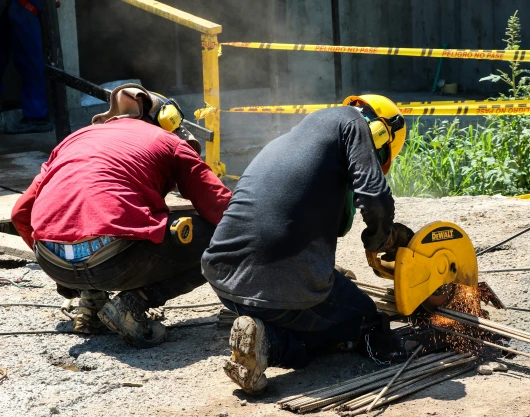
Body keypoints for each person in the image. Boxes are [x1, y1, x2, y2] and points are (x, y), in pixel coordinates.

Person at [202, 94, 412, 394]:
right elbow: (376, 200)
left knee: (324, 293)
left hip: (224, 280)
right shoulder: (355, 125)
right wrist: (380, 238)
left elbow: (334, 224)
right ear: (380, 134)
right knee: (364, 319)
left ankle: (260, 323)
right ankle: (270, 344)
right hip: (276, 290)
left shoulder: (296, 137)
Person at [11, 84, 232, 347]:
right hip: (116, 263)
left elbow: (20, 213)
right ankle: (135, 302)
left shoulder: (74, 140)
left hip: (53, 265)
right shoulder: (169, 141)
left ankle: (91, 303)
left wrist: (59, 261)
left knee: (96, 223)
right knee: (213, 236)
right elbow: (222, 210)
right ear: (163, 120)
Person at [0, 0, 52, 133]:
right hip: (18, 6)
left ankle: (37, 116)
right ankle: (36, 114)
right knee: (25, 57)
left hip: (25, 4)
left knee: (29, 59)